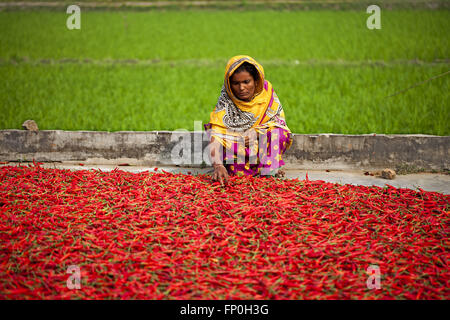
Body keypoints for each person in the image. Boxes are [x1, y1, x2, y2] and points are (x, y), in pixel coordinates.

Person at [204, 55, 293, 185]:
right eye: (236, 83)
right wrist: (217, 165)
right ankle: (262, 170)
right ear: (229, 84)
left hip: (260, 145)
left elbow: (278, 123)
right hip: (239, 150)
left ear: (256, 81)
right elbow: (216, 134)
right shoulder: (226, 100)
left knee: (279, 133)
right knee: (233, 165)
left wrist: (256, 133)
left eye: (246, 82)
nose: (241, 88)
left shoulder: (266, 93)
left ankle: (269, 168)